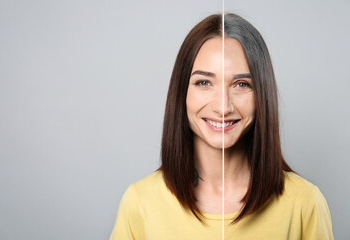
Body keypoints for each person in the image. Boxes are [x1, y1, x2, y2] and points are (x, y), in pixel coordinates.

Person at [110, 13, 334, 240]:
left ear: (262, 96)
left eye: (241, 84)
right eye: (204, 82)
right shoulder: (139, 203)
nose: (223, 106)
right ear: (181, 93)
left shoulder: (306, 203)